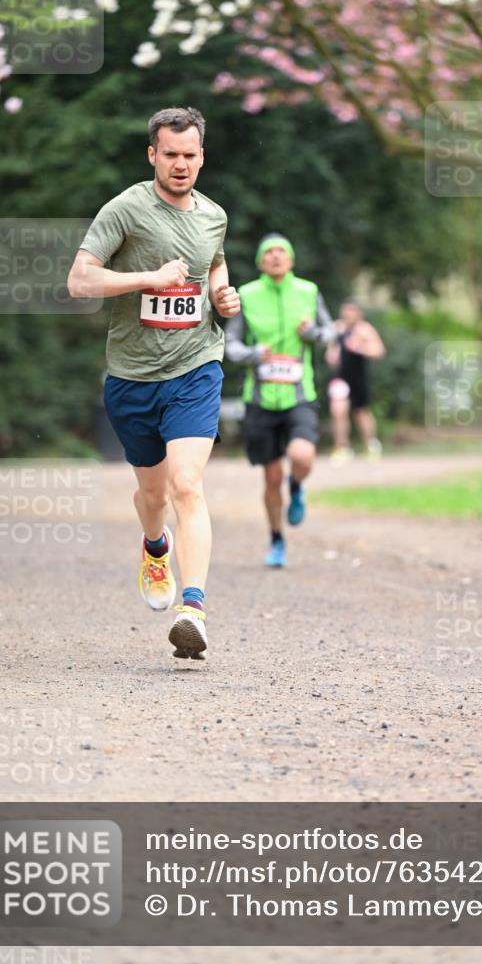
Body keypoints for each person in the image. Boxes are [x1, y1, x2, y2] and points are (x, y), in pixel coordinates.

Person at [67, 106, 240, 661]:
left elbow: (214, 263)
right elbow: (79, 280)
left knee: (188, 485)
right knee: (153, 494)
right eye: (171, 155)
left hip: (196, 366)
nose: (181, 164)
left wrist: (222, 295)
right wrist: (148, 278)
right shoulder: (126, 209)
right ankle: (154, 546)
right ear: (152, 154)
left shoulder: (214, 215)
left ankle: (194, 609)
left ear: (202, 156)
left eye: (190, 155)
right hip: (133, 377)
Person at [225, 234, 335, 567]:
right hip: (260, 399)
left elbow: (331, 332)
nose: (275, 257)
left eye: (281, 252)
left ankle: (297, 486)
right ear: (260, 261)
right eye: (268, 252)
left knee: (302, 456)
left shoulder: (308, 291)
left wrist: (313, 334)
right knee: (270, 478)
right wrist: (252, 354)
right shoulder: (247, 294)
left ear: (291, 260)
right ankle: (276, 541)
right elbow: (230, 342)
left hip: (300, 395)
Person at [326, 300, 386, 461]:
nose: (348, 318)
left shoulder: (365, 330)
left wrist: (360, 348)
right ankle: (341, 447)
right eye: (345, 314)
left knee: (361, 412)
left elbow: (379, 351)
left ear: (359, 315)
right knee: (338, 409)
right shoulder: (336, 328)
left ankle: (370, 445)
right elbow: (330, 353)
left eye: (351, 314)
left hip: (358, 376)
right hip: (340, 377)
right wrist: (332, 357)